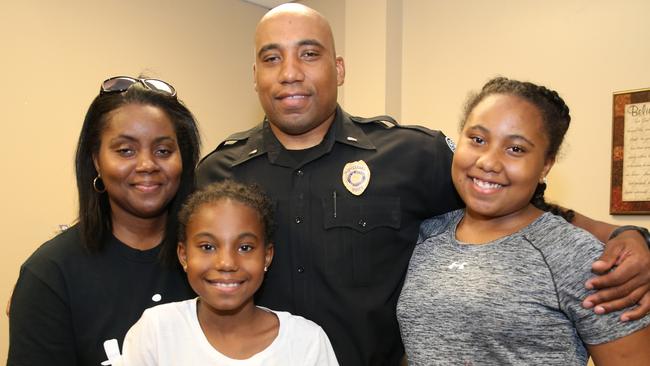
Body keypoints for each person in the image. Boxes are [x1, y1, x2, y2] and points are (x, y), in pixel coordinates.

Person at [196, 4, 650, 365]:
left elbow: (511, 201)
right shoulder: (219, 172)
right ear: (254, 74)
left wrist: (628, 235)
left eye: (309, 54)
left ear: (338, 67)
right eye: (271, 58)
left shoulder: (413, 155)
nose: (290, 72)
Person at [397, 77, 650, 365]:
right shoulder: (426, 235)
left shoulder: (578, 256)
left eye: (515, 149)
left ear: (545, 164)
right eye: (477, 140)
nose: (488, 162)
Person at [8, 76, 201, 366]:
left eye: (163, 151)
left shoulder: (214, 262)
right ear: (96, 159)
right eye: (125, 150)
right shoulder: (51, 274)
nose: (147, 165)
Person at [118, 180, 339, 365]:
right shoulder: (156, 332)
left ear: (267, 256)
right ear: (183, 255)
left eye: (245, 247)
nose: (226, 263)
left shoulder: (306, 342)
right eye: (207, 247)